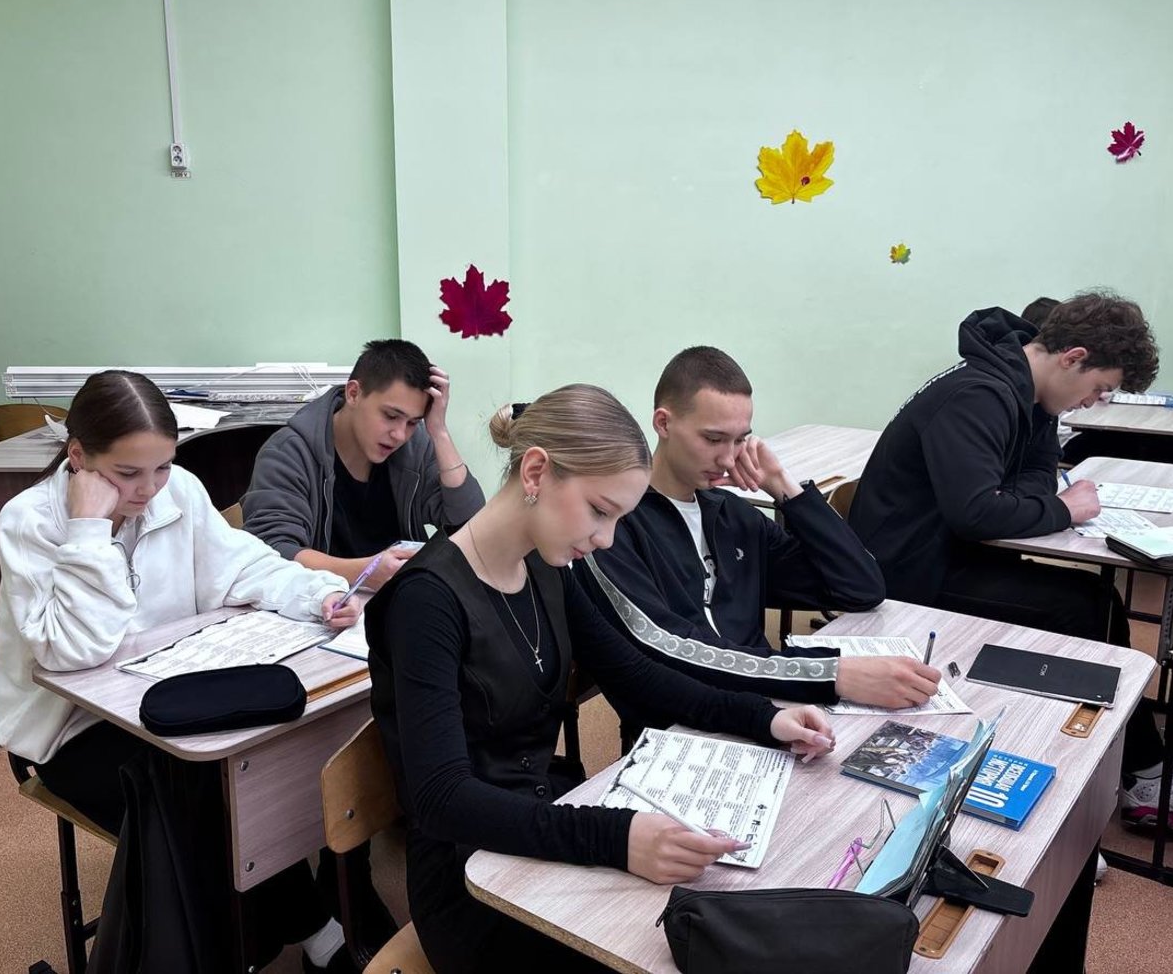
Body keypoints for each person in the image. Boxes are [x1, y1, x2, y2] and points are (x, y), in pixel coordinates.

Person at [366, 385, 835, 973]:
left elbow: (635, 675)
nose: (605, 539)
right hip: (471, 875)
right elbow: (442, 799)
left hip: (549, 822)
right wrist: (615, 838)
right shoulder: (427, 601)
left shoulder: (546, 563)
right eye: (599, 511)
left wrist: (764, 717)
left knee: (724, 913)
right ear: (536, 472)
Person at [0, 370, 360, 972]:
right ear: (78, 457)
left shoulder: (177, 490)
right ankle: (312, 931)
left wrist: (318, 594)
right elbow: (74, 652)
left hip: (166, 700)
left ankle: (259, 938)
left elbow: (244, 567)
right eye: (127, 473)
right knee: (207, 797)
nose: (149, 489)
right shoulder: (29, 521)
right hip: (71, 728)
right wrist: (88, 531)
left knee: (246, 771)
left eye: (161, 466)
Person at [849, 294, 1173, 835]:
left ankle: (1130, 761)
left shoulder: (1032, 397)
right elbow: (977, 511)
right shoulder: (979, 394)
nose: (1093, 403)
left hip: (955, 552)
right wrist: (1062, 510)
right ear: (1073, 357)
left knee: (1093, 600)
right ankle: (1141, 773)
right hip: (905, 572)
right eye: (1099, 388)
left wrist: (1034, 501)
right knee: (1082, 607)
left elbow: (1037, 474)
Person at [582, 346, 941, 725]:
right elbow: (669, 653)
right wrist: (829, 674)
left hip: (773, 708)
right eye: (713, 439)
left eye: (740, 441)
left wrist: (784, 487)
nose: (727, 458)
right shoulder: (613, 527)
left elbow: (861, 588)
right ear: (663, 423)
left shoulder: (732, 515)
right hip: (688, 727)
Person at [243, 338, 485, 592]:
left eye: (413, 422)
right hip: (321, 600)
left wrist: (439, 432)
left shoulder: (415, 445)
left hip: (401, 597)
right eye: (391, 416)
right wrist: (365, 571)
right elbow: (272, 552)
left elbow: (471, 527)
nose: (400, 435)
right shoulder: (289, 453)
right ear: (353, 393)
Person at [1021, 296, 1173, 466]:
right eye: (1097, 388)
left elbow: (1039, 471)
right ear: (1073, 359)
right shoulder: (1000, 399)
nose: (1089, 403)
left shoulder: (1044, 406)